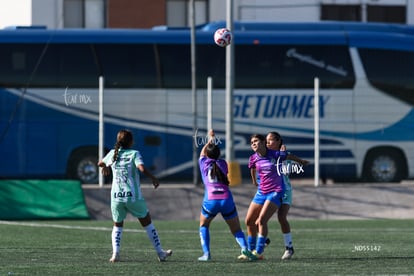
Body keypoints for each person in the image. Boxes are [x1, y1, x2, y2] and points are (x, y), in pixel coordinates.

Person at [97, 129, 172, 263]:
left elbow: (100, 163)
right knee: (147, 223)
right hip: (133, 196)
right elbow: (141, 168)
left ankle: (115, 254)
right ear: (131, 141)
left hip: (116, 197)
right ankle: (160, 253)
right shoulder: (134, 153)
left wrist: (105, 166)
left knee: (117, 225)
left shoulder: (113, 154)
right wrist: (153, 178)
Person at [198, 129, 257, 262]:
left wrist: (210, 139)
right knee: (236, 230)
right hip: (226, 199)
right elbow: (211, 155)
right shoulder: (223, 164)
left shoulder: (203, 163)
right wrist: (213, 142)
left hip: (211, 200)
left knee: (204, 226)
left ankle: (206, 254)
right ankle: (244, 248)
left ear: (207, 154)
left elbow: (203, 152)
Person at [242, 134, 287, 260]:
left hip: (276, 191)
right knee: (249, 221)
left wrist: (299, 161)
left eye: (256, 141)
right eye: (251, 143)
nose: (253, 144)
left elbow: (288, 157)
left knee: (261, 220)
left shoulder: (275, 154)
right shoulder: (253, 158)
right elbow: (252, 168)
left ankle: (259, 252)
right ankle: (250, 251)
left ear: (263, 142)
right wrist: (254, 181)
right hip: (261, 192)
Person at [266, 131, 309, 260]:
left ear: (278, 141)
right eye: (266, 140)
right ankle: (263, 238)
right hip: (269, 191)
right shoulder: (265, 155)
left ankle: (289, 247)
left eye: (270, 140)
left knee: (281, 216)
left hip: (285, 191)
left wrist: (298, 161)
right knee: (260, 218)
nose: (267, 143)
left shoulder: (284, 156)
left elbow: (283, 170)